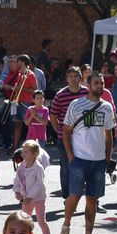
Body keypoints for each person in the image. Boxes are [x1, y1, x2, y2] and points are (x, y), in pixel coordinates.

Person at [59, 74, 115, 234]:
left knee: (92, 199)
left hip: (98, 161)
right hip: (79, 159)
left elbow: (109, 135)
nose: (100, 86)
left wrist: (107, 158)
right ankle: (66, 225)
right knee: (74, 196)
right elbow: (66, 132)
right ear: (88, 85)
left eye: (102, 83)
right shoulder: (76, 105)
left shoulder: (107, 107)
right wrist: (71, 157)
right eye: (96, 83)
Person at [49, 66, 88, 200]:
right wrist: (59, 130)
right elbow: (53, 116)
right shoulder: (60, 95)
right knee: (66, 167)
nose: (73, 79)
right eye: (71, 76)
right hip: (64, 137)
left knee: (82, 165)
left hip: (83, 137)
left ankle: (77, 192)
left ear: (80, 78)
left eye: (76, 76)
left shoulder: (86, 93)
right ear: (67, 78)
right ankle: (67, 196)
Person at [13, 140, 53, 234]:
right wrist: (17, 191)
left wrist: (30, 196)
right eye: (23, 152)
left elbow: (39, 184)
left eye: (26, 152)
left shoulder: (38, 167)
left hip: (38, 198)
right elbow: (17, 179)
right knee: (24, 221)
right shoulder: (22, 166)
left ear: (35, 154)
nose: (23, 154)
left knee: (41, 221)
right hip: (26, 199)